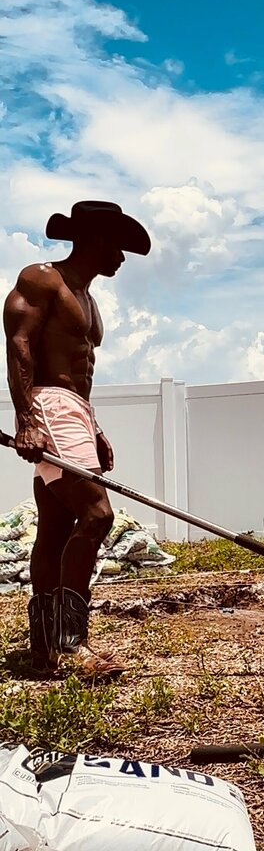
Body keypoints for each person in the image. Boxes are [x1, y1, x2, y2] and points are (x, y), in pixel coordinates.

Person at [2, 200, 151, 676]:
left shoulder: (88, 298)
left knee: (55, 525)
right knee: (97, 514)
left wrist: (95, 426)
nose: (122, 258)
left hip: (75, 411)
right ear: (96, 241)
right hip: (49, 406)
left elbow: (80, 371)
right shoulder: (42, 279)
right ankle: (72, 644)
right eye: (118, 247)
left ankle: (45, 649)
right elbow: (18, 343)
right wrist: (28, 418)